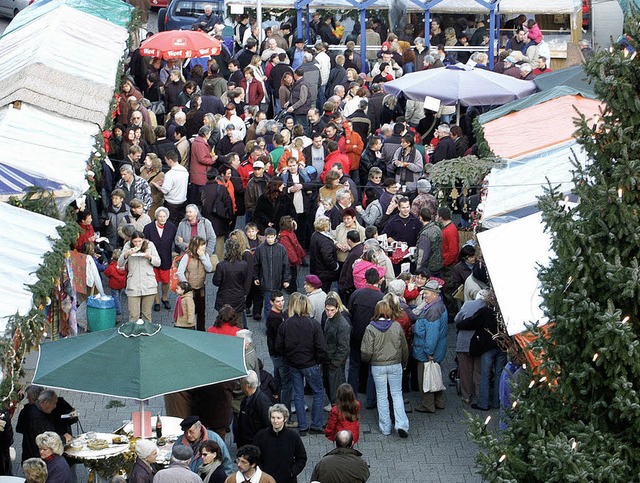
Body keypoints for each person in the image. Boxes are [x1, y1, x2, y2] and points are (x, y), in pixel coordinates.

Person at [276, 294, 328, 434]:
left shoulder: (286, 324)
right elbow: (322, 347)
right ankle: (316, 424)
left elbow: (279, 346)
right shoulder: (313, 324)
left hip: (294, 364)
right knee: (318, 392)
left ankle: (303, 426)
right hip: (310, 364)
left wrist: (289, 357)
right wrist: (317, 360)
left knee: (298, 395)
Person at [361, 299, 410, 438]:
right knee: (397, 394)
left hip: (378, 366)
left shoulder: (370, 328)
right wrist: (404, 362)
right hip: (395, 365)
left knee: (382, 396)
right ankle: (401, 424)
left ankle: (385, 427)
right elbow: (404, 346)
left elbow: (366, 351)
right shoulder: (396, 326)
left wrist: (368, 360)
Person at [413, 280, 448, 413]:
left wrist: (429, 352)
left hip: (427, 351)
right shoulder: (439, 305)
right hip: (439, 347)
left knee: (426, 377)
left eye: (426, 293)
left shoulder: (433, 311)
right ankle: (439, 402)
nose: (424, 296)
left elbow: (431, 335)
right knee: (435, 374)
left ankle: (428, 405)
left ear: (434, 294)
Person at [253, 404, 307, 483]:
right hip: (266, 480)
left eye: (278, 418)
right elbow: (254, 457)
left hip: (287, 480)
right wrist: (262, 473)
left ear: (285, 419)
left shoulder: (293, 436)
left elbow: (302, 457)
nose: (275, 421)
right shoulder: (261, 436)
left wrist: (292, 472)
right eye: (273, 418)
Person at [118, 231, 161, 321]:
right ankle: (133, 332)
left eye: (139, 241)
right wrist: (126, 255)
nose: (137, 244)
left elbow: (158, 262)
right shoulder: (127, 245)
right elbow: (120, 263)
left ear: (143, 239)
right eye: (135, 241)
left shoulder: (150, 245)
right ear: (131, 241)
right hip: (133, 283)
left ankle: (147, 332)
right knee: (134, 315)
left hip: (148, 283)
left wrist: (150, 257)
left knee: (147, 314)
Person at [144, 207, 178, 312]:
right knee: (154, 281)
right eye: (160, 216)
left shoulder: (172, 227)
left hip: (166, 258)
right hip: (152, 259)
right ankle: (157, 301)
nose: (162, 218)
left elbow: (175, 241)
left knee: (165, 281)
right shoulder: (148, 228)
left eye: (164, 216)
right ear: (156, 217)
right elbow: (145, 242)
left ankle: (164, 297)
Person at [253, 227, 291, 320]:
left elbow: (286, 265)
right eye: (268, 237)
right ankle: (269, 325)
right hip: (265, 282)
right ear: (265, 237)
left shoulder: (281, 248)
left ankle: (277, 323)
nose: (270, 239)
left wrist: (286, 279)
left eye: (271, 237)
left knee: (278, 304)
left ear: (275, 236)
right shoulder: (260, 249)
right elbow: (255, 265)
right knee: (268, 305)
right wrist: (256, 277)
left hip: (277, 282)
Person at [177, 236, 213, 331]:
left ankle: (201, 330)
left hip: (201, 287)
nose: (204, 248)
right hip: (190, 289)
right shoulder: (187, 256)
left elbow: (209, 268)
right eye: (202, 246)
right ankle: (189, 329)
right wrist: (186, 285)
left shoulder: (205, 255)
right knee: (190, 310)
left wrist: (202, 257)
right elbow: (180, 272)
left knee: (201, 311)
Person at [212, 238, 252, 323]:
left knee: (222, 322)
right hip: (238, 297)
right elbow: (246, 280)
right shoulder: (244, 265)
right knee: (238, 322)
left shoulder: (221, 266)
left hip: (224, 297)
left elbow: (216, 282)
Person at [322, 298, 351, 407]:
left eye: (332, 310)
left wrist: (334, 364)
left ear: (338, 309)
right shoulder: (330, 320)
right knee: (331, 389)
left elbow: (343, 348)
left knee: (336, 393)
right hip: (329, 360)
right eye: (327, 310)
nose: (329, 313)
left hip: (335, 363)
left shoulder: (342, 325)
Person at [236, 370, 272, 448]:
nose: (240, 385)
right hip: (248, 442)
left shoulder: (262, 402)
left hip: (255, 444)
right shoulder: (247, 398)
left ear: (246, 385)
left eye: (241, 382)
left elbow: (268, 425)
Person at [309, 216, 339, 293]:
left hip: (316, 269)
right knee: (324, 291)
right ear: (325, 227)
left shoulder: (315, 235)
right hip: (324, 272)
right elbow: (327, 257)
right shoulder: (324, 241)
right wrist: (335, 266)